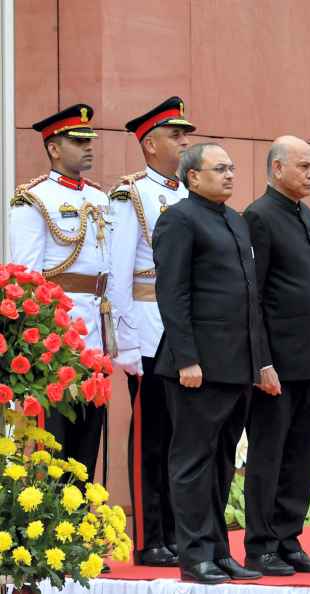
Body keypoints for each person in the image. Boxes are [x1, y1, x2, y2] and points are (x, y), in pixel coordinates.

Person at [153, 143, 278, 584]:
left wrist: (261, 362)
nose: (229, 175)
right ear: (192, 177)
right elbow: (172, 294)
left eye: (231, 168)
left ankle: (219, 550)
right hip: (197, 369)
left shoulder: (235, 222)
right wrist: (187, 358)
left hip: (237, 366)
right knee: (192, 461)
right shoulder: (179, 220)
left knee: (224, 461)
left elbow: (250, 300)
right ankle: (194, 555)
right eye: (219, 168)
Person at [107, 97, 195, 567]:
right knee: (152, 435)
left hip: (184, 330)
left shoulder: (189, 192)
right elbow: (119, 274)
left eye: (185, 135)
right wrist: (125, 339)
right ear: (149, 143)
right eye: (175, 136)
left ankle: (180, 532)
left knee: (183, 436)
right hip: (148, 323)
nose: (184, 143)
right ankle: (150, 536)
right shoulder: (131, 194)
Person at [241, 136, 310, 575]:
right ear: (277, 169)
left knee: (301, 453)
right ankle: (260, 545)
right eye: (303, 166)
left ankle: (288, 538)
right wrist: (262, 362)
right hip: (277, 362)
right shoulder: (260, 216)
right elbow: (253, 296)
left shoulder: (306, 217)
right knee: (269, 454)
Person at [9, 104, 111, 482]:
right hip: (57, 337)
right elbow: (27, 276)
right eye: (77, 140)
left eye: (89, 140)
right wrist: (40, 342)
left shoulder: (100, 200)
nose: (88, 147)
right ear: (53, 148)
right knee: (53, 443)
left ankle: (83, 529)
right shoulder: (34, 200)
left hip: (96, 334)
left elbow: (108, 272)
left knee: (87, 444)